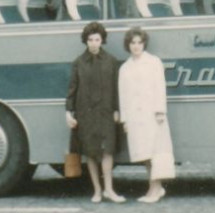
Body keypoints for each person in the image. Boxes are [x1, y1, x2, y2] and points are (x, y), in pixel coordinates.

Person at [65, 21, 123, 203]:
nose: (93, 43)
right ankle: (97, 191)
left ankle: (109, 190)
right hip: (86, 113)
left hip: (106, 112)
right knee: (90, 153)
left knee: (107, 152)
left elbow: (116, 88)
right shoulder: (78, 63)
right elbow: (72, 89)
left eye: (97, 39)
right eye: (90, 39)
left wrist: (117, 110)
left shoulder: (112, 61)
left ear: (102, 40)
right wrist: (68, 112)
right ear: (86, 41)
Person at [118, 26, 174, 203]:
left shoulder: (153, 62)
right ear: (128, 45)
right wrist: (125, 119)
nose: (136, 46)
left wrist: (160, 111)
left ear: (144, 44)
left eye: (139, 42)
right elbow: (123, 95)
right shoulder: (125, 68)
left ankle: (155, 189)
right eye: (133, 43)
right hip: (135, 117)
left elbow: (159, 86)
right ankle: (155, 187)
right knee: (145, 155)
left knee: (155, 153)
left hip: (152, 115)